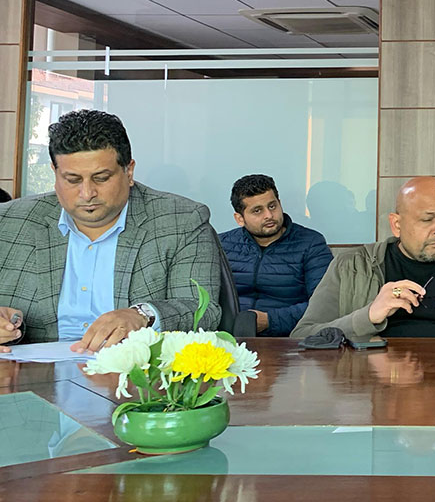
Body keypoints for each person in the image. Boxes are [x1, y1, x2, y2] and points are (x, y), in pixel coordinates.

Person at [0, 109, 222, 353]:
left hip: (134, 369)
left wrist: (143, 315)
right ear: (55, 173)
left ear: (129, 172)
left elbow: (203, 310)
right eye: (72, 180)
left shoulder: (181, 220)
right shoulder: (8, 222)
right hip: (28, 370)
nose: (87, 193)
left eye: (101, 178)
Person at [291, 177, 435, 340]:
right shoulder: (352, 265)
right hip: (373, 381)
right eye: (427, 220)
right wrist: (368, 316)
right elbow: (302, 336)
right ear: (397, 224)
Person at [219, 174, 333, 337]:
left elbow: (325, 303)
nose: (269, 215)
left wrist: (270, 321)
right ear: (240, 219)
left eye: (272, 206)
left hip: (289, 340)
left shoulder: (310, 243)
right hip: (229, 339)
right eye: (257, 210)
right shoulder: (222, 245)